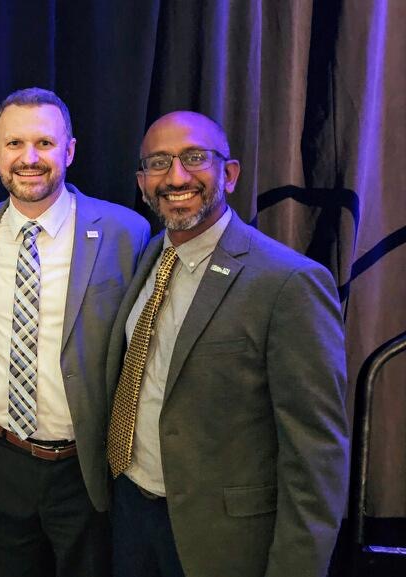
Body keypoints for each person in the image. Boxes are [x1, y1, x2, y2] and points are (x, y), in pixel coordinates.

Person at [105, 110, 349, 577]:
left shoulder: (289, 283)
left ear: (229, 174)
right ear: (142, 183)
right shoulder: (150, 257)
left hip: (222, 540)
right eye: (158, 163)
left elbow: (316, 455)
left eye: (194, 158)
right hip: (133, 513)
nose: (176, 176)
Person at [0, 87, 150, 577]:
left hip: (84, 467)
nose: (29, 158)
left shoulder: (126, 232)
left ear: (69, 150)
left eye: (44, 143)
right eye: (15, 144)